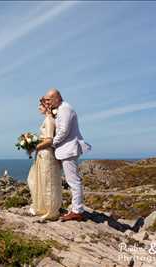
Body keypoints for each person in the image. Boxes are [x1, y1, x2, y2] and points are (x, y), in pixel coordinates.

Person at [42, 88, 91, 222]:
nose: (47, 102)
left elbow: (63, 131)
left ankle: (77, 211)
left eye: (48, 99)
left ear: (57, 98)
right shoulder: (62, 108)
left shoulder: (65, 109)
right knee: (72, 180)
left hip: (68, 150)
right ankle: (76, 209)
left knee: (73, 181)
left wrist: (52, 143)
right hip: (66, 150)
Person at [27, 98, 62, 220]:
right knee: (40, 179)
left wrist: (34, 147)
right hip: (43, 154)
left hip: (46, 154)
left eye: (40, 105)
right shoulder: (49, 120)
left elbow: (49, 140)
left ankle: (49, 210)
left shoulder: (48, 120)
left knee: (47, 182)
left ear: (47, 107)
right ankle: (43, 206)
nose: (38, 108)